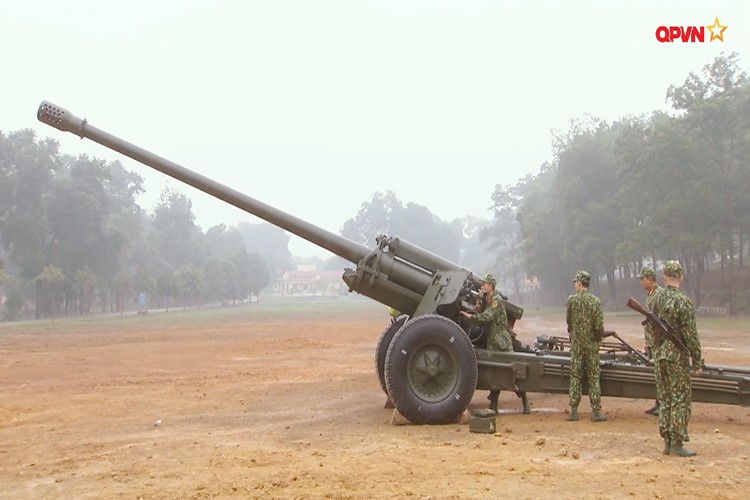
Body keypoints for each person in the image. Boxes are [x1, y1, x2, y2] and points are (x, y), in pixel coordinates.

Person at [460, 274, 530, 414]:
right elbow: (479, 310)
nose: (482, 285)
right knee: (494, 373)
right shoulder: (487, 299)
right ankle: (493, 405)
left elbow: (487, 316)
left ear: (490, 286)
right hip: (492, 340)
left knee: (513, 372)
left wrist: (470, 317)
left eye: (484, 283)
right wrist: (479, 299)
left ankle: (525, 401)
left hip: (502, 341)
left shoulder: (496, 300)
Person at [653, 260, 702, 457]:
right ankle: (677, 443)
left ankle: (667, 441)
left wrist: (658, 348)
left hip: (661, 354)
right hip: (676, 357)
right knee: (680, 398)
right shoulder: (683, 302)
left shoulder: (658, 298)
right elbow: (691, 334)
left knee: (665, 397)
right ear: (681, 277)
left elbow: (653, 328)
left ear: (664, 277)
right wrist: (696, 360)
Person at [566, 270, 607, 422]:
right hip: (591, 345)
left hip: (577, 345)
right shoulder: (595, 301)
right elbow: (599, 326)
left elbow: (569, 322)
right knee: (594, 377)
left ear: (579, 283)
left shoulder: (572, 300)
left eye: (575, 283)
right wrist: (597, 339)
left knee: (575, 376)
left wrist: (574, 335)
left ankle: (574, 411)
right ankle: (595, 412)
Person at [637, 266, 663, 416]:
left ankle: (663, 404)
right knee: (657, 375)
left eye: (642, 279)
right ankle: (659, 402)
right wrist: (648, 344)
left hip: (659, 342)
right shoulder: (651, 295)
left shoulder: (659, 295)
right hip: (652, 343)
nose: (641, 282)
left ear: (650, 279)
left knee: (661, 375)